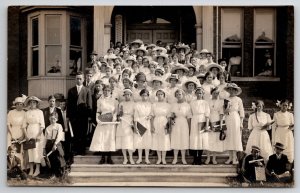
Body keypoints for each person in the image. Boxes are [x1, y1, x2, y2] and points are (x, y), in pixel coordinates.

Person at [89, 85, 118, 164]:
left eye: (108, 90)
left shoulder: (115, 101)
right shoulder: (100, 101)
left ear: (111, 91)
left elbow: (116, 112)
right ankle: (102, 158)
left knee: (109, 139)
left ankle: (109, 158)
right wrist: (98, 119)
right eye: (105, 90)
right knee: (102, 139)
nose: (106, 92)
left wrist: (114, 118)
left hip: (111, 122)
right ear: (103, 91)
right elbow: (98, 111)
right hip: (102, 121)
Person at [67, 72, 92, 156]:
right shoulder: (71, 91)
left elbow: (89, 104)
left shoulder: (87, 90)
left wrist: (89, 116)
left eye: (80, 78)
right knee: (75, 133)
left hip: (83, 116)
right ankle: (76, 150)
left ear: (83, 80)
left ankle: (82, 150)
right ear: (75, 79)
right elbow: (69, 104)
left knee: (83, 133)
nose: (79, 80)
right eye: (77, 78)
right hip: (74, 116)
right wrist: (68, 116)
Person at [22, 96, 45, 177]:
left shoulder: (40, 112)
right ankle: (31, 169)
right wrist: (26, 135)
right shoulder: (27, 113)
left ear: (36, 103)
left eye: (34, 102)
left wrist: (38, 135)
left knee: (37, 151)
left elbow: (42, 125)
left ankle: (37, 169)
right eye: (31, 102)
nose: (32, 104)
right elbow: (24, 125)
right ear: (29, 103)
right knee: (30, 152)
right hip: (29, 132)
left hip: (37, 132)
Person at [223, 83, 244, 164]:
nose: (231, 91)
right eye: (230, 89)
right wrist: (226, 110)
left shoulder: (238, 99)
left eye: (233, 89)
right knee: (229, 137)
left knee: (235, 137)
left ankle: (235, 158)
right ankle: (230, 157)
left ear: (235, 90)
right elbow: (224, 111)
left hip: (235, 118)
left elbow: (241, 111)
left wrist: (241, 123)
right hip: (228, 118)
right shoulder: (226, 99)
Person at [170, 89, 192, 165]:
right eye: (177, 94)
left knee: (183, 140)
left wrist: (189, 128)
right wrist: (171, 119)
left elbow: (189, 117)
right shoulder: (173, 105)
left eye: (180, 94)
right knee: (176, 139)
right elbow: (171, 115)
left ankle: (183, 158)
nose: (178, 96)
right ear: (175, 96)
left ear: (183, 95)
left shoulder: (187, 105)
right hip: (176, 124)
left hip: (184, 123)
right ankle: (175, 158)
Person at [189, 87, 210, 165]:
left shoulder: (205, 103)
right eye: (197, 93)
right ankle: (195, 159)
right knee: (195, 139)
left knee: (201, 139)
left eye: (200, 93)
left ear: (203, 94)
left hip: (202, 119)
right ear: (195, 94)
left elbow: (207, 114)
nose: (199, 94)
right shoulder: (192, 102)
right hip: (194, 120)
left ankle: (199, 159)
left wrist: (207, 125)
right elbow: (190, 113)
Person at [151, 89, 171, 165]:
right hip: (156, 122)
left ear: (164, 95)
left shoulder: (168, 105)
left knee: (164, 140)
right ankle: (159, 159)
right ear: (156, 96)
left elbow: (169, 117)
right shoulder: (154, 105)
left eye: (161, 94)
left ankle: (163, 158)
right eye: (158, 94)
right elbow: (152, 116)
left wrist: (168, 126)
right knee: (157, 140)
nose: (160, 96)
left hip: (164, 122)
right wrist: (152, 126)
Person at [133, 89, 153, 164]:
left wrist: (150, 116)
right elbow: (135, 116)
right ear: (140, 96)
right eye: (143, 95)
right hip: (140, 122)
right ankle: (140, 158)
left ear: (148, 96)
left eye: (146, 95)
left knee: (147, 140)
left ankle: (147, 158)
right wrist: (135, 126)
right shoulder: (137, 104)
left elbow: (152, 113)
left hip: (147, 123)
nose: (144, 97)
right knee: (139, 141)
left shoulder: (150, 104)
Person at [116, 89, 135, 165]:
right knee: (123, 141)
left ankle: (131, 157)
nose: (127, 96)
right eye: (125, 95)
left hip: (130, 122)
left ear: (131, 95)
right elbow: (118, 114)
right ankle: (125, 158)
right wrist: (120, 115)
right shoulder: (121, 103)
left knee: (129, 140)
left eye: (128, 94)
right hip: (122, 122)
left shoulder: (134, 103)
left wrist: (133, 121)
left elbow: (135, 114)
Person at [44, 112, 66, 179]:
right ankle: (53, 173)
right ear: (49, 119)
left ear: (56, 119)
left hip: (57, 143)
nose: (52, 120)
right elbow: (45, 138)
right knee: (51, 159)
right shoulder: (47, 128)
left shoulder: (59, 126)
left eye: (54, 119)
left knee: (59, 157)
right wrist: (44, 147)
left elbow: (59, 136)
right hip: (50, 144)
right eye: (51, 119)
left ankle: (62, 173)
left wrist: (55, 144)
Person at [7, 96, 27, 169]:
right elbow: (8, 124)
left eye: (21, 104)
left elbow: (25, 125)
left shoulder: (25, 113)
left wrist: (22, 137)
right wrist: (12, 135)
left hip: (21, 132)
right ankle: (10, 167)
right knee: (11, 149)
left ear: (23, 105)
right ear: (15, 105)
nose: (19, 105)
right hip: (12, 132)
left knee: (20, 151)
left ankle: (20, 167)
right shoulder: (11, 112)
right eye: (17, 104)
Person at [206, 88, 224, 165]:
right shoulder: (208, 102)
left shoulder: (220, 102)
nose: (215, 95)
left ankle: (214, 158)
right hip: (209, 119)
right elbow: (207, 112)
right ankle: (208, 157)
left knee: (216, 140)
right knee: (209, 140)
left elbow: (221, 113)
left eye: (217, 93)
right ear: (211, 93)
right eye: (214, 93)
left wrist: (220, 124)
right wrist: (207, 123)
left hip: (217, 120)